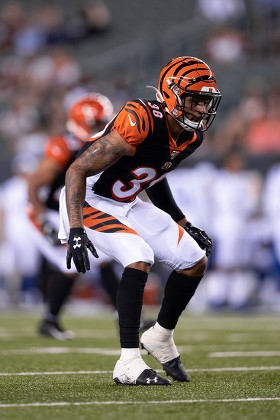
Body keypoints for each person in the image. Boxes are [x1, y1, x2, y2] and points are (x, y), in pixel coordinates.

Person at [59, 56, 221, 385]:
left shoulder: (191, 137)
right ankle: (128, 362)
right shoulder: (141, 118)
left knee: (194, 260)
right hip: (87, 197)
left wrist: (182, 221)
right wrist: (76, 228)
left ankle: (160, 335)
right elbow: (75, 170)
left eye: (206, 102)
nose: (201, 110)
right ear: (172, 94)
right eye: (195, 101)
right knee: (139, 255)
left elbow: (154, 175)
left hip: (125, 201)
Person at [27, 92, 121, 339]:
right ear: (84, 123)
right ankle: (49, 320)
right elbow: (34, 186)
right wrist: (41, 220)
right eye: (98, 123)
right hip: (47, 212)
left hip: (72, 212)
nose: (104, 128)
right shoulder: (65, 146)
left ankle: (123, 314)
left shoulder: (102, 146)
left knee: (103, 257)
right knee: (68, 265)